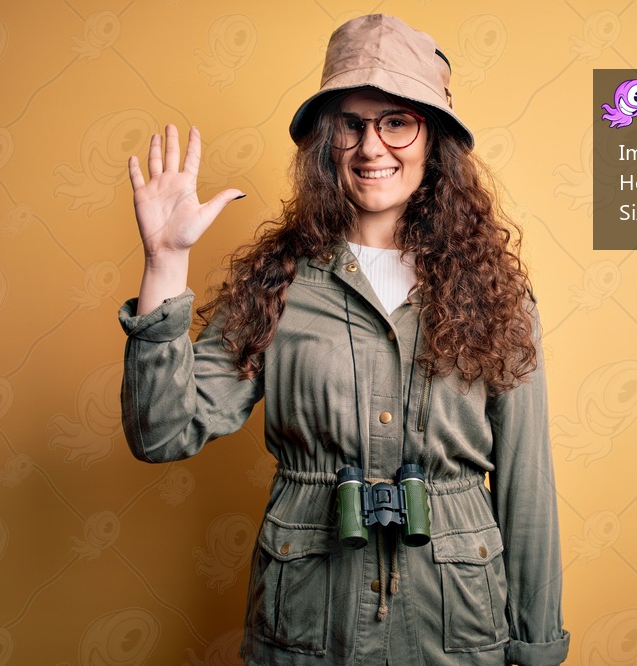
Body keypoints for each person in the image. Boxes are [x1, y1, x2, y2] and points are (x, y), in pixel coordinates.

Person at [120, 14, 569, 666]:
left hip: (458, 630)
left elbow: (528, 489)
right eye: (350, 124)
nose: (371, 147)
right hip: (307, 628)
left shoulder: (496, 293)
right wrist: (163, 263)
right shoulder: (274, 282)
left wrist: (536, 651)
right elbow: (161, 433)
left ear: (432, 140)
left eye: (396, 121)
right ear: (325, 142)